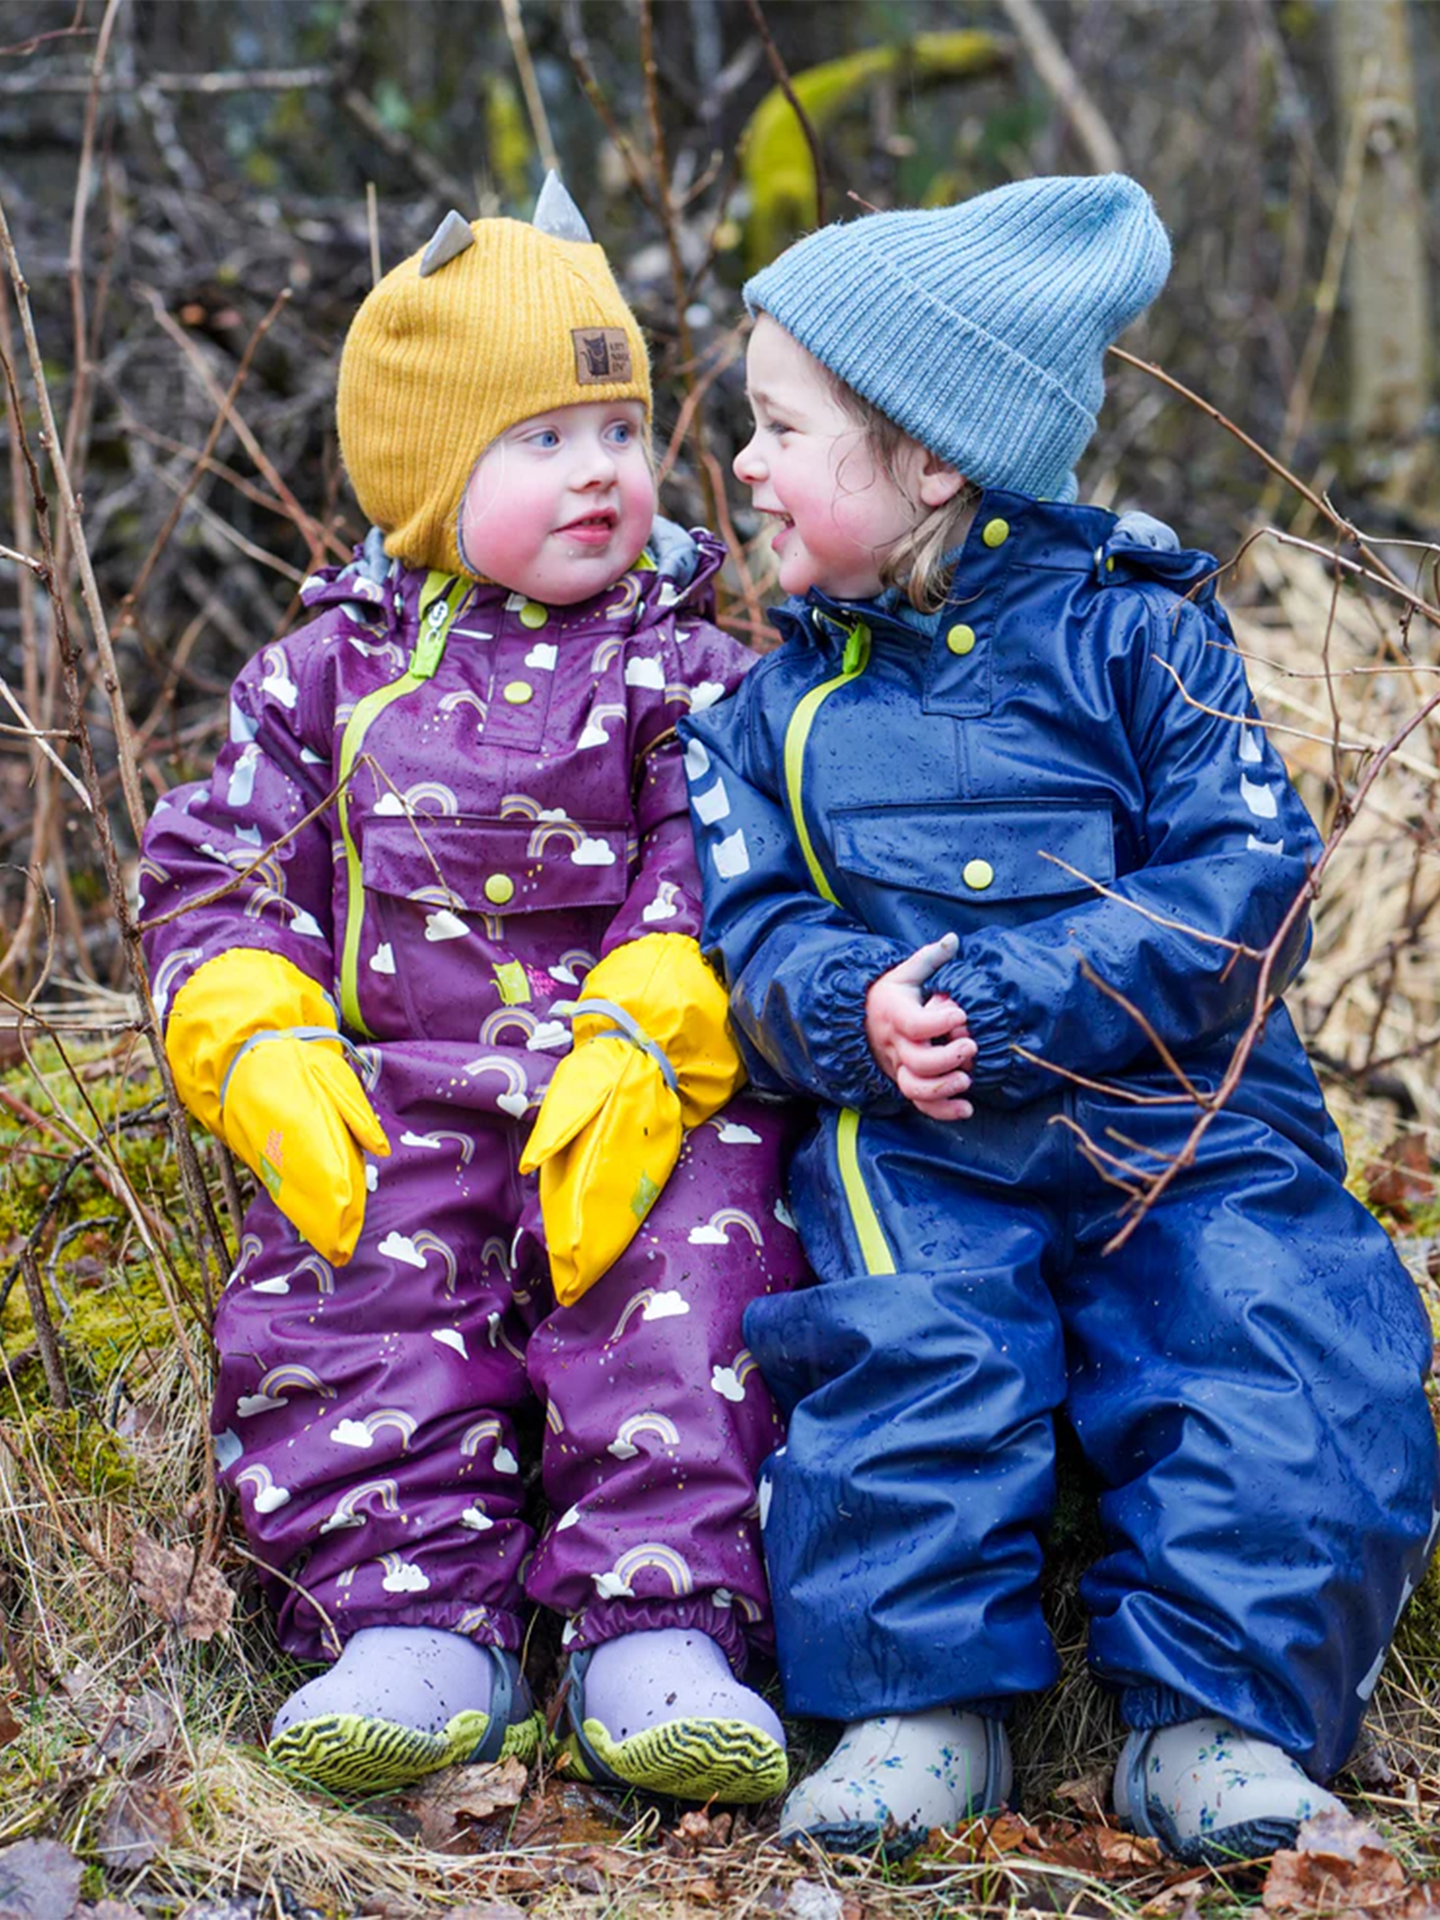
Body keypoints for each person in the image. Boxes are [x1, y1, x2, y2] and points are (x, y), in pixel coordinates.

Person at [680, 173, 1440, 1865]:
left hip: (1185, 1115)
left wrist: (1030, 990)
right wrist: (842, 1003)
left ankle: (1222, 1724)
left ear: (932, 457)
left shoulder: (1147, 638)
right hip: (927, 1138)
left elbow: (1250, 875)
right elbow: (748, 929)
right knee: (901, 1342)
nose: (741, 462)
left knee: (1292, 1332)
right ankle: (918, 1708)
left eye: (782, 425)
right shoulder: (770, 712)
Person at [139, 179, 809, 1804]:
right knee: (346, 1270)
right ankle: (410, 1625)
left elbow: (716, 852)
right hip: (407, 1083)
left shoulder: (693, 667)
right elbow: (225, 866)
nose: (601, 470)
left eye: (621, 427)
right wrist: (257, 1031)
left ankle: (659, 1630)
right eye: (541, 439)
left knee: (700, 1269)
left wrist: (657, 1020)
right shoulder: (323, 679)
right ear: (430, 480)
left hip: (630, 1091)